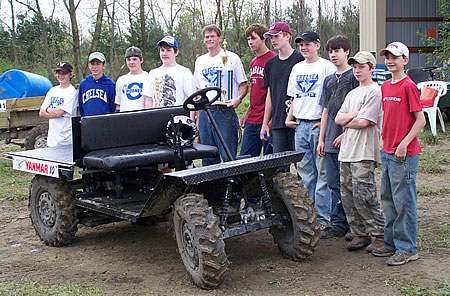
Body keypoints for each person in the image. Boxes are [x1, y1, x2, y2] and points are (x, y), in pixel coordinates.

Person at [372, 42, 426, 266]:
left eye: (395, 57)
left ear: (405, 60)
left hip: (404, 154)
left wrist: (404, 143)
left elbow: (420, 120)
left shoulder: (408, 86)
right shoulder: (385, 86)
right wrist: (384, 142)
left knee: (404, 201)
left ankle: (407, 249)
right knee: (388, 199)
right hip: (388, 150)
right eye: (387, 57)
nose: (390, 60)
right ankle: (391, 242)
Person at [335, 51, 385, 251]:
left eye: (362, 67)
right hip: (347, 151)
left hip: (364, 152)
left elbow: (365, 122)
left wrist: (350, 119)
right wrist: (353, 115)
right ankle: (359, 233)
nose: (357, 70)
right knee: (348, 195)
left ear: (371, 68)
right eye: (355, 67)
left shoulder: (375, 91)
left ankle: (379, 234)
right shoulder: (352, 94)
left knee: (364, 194)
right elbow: (338, 119)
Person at [285, 31, 335, 229]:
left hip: (317, 123)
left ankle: (324, 217)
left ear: (317, 45)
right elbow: (295, 96)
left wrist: (324, 124)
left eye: (308, 44)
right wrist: (290, 118)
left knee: (322, 172)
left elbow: (331, 99)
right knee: (305, 172)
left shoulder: (326, 67)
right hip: (301, 125)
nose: (304, 48)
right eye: (301, 45)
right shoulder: (297, 68)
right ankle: (309, 216)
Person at [317, 36, 359, 239]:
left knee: (349, 184)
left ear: (347, 52)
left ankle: (354, 225)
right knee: (333, 183)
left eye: (337, 50)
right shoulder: (329, 80)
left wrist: (345, 134)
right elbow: (325, 110)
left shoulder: (354, 77)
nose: (333, 55)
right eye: (330, 51)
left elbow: (358, 110)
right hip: (330, 141)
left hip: (349, 142)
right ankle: (337, 223)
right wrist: (321, 138)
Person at [193, 24, 248, 165]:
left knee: (228, 155)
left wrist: (239, 99)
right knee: (208, 156)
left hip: (224, 111)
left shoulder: (232, 58)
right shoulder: (200, 61)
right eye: (206, 37)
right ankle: (213, 186)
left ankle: (232, 185)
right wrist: (199, 117)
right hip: (206, 113)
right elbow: (198, 92)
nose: (209, 39)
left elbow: (243, 84)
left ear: (219, 38)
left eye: (212, 36)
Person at [259, 22, 304, 171]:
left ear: (287, 36)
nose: (273, 40)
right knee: (279, 169)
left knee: (303, 168)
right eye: (271, 37)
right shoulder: (270, 64)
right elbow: (270, 95)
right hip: (278, 122)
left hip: (298, 121)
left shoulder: (301, 60)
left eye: (277, 36)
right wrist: (266, 122)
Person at [239, 24, 276, 157]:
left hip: (267, 120)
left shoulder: (273, 60)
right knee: (244, 160)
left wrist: (271, 122)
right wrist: (247, 114)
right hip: (252, 119)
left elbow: (275, 94)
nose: (250, 42)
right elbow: (255, 92)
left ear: (263, 39)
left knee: (269, 162)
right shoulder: (254, 61)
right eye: (248, 39)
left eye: (253, 38)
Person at [143, 36, 194, 108]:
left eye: (168, 50)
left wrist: (191, 118)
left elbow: (192, 99)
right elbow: (149, 100)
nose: (165, 53)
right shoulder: (152, 73)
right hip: (157, 116)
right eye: (162, 50)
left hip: (178, 116)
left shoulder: (184, 72)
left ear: (176, 52)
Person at [39, 61, 78, 147]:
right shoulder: (52, 90)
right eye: (58, 73)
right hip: (52, 140)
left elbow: (59, 113)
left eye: (64, 73)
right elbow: (41, 113)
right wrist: (53, 113)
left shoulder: (71, 92)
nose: (60, 76)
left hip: (66, 140)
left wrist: (47, 109)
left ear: (70, 75)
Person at [115, 46, 152, 112]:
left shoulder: (149, 77)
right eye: (129, 59)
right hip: (124, 119)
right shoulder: (121, 80)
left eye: (135, 59)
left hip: (142, 118)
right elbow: (118, 104)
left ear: (141, 60)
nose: (131, 62)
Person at [78, 52, 116, 116]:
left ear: (104, 65)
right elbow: (81, 107)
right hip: (88, 122)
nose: (95, 67)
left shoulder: (110, 85)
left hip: (105, 122)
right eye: (92, 64)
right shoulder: (83, 84)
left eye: (98, 64)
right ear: (89, 65)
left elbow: (112, 107)